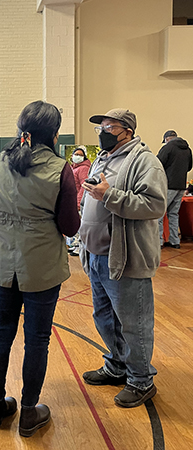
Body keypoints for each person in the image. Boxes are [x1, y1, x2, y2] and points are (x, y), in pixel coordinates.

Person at [0, 100, 79, 437]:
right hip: (42, 266)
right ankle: (29, 414)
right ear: (55, 134)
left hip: (1, 262)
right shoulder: (60, 169)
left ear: (21, 130)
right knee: (37, 340)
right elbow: (70, 226)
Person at [79, 109, 167, 408]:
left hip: (125, 257)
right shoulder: (104, 158)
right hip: (95, 254)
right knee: (104, 319)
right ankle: (117, 365)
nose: (102, 132)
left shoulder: (145, 161)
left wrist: (108, 195)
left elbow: (155, 205)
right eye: (100, 128)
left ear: (126, 130)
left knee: (134, 323)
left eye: (108, 127)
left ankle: (141, 381)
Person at [157, 130, 192, 249]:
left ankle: (159, 241)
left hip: (168, 185)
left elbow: (158, 164)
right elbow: (189, 167)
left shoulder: (168, 148)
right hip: (181, 185)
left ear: (167, 139)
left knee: (160, 213)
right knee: (173, 214)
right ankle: (175, 241)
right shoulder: (187, 149)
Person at [67, 146, 91, 256]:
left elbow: (84, 186)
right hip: (72, 201)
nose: (78, 156)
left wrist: (78, 202)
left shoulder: (83, 168)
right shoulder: (73, 168)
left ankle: (79, 247)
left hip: (79, 202)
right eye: (76, 154)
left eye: (81, 155)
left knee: (80, 225)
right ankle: (75, 246)